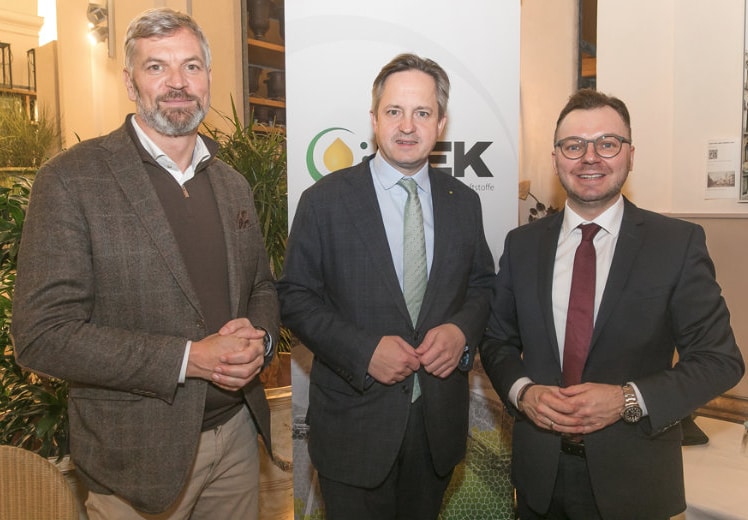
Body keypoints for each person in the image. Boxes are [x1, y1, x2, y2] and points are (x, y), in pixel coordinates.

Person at [12, 8, 279, 519]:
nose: (178, 82)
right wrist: (187, 359)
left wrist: (261, 339)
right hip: (136, 461)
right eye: (157, 67)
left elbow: (262, 287)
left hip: (238, 441)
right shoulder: (71, 180)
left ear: (208, 77)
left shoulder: (232, 184)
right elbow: (42, 335)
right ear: (130, 82)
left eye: (191, 66)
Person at [479, 88, 745, 520]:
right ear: (556, 158)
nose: (590, 158)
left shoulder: (675, 245)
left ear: (630, 155)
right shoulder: (522, 245)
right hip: (539, 481)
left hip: (635, 483)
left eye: (607, 143)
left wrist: (627, 399)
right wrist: (523, 392)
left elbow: (720, 361)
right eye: (574, 145)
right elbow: (496, 340)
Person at [276, 53, 495, 519]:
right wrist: (363, 352)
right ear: (374, 119)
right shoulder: (324, 201)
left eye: (422, 112)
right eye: (394, 111)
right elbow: (294, 297)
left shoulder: (463, 202)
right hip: (353, 428)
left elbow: (482, 285)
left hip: (436, 427)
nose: (407, 126)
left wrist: (460, 332)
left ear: (441, 123)